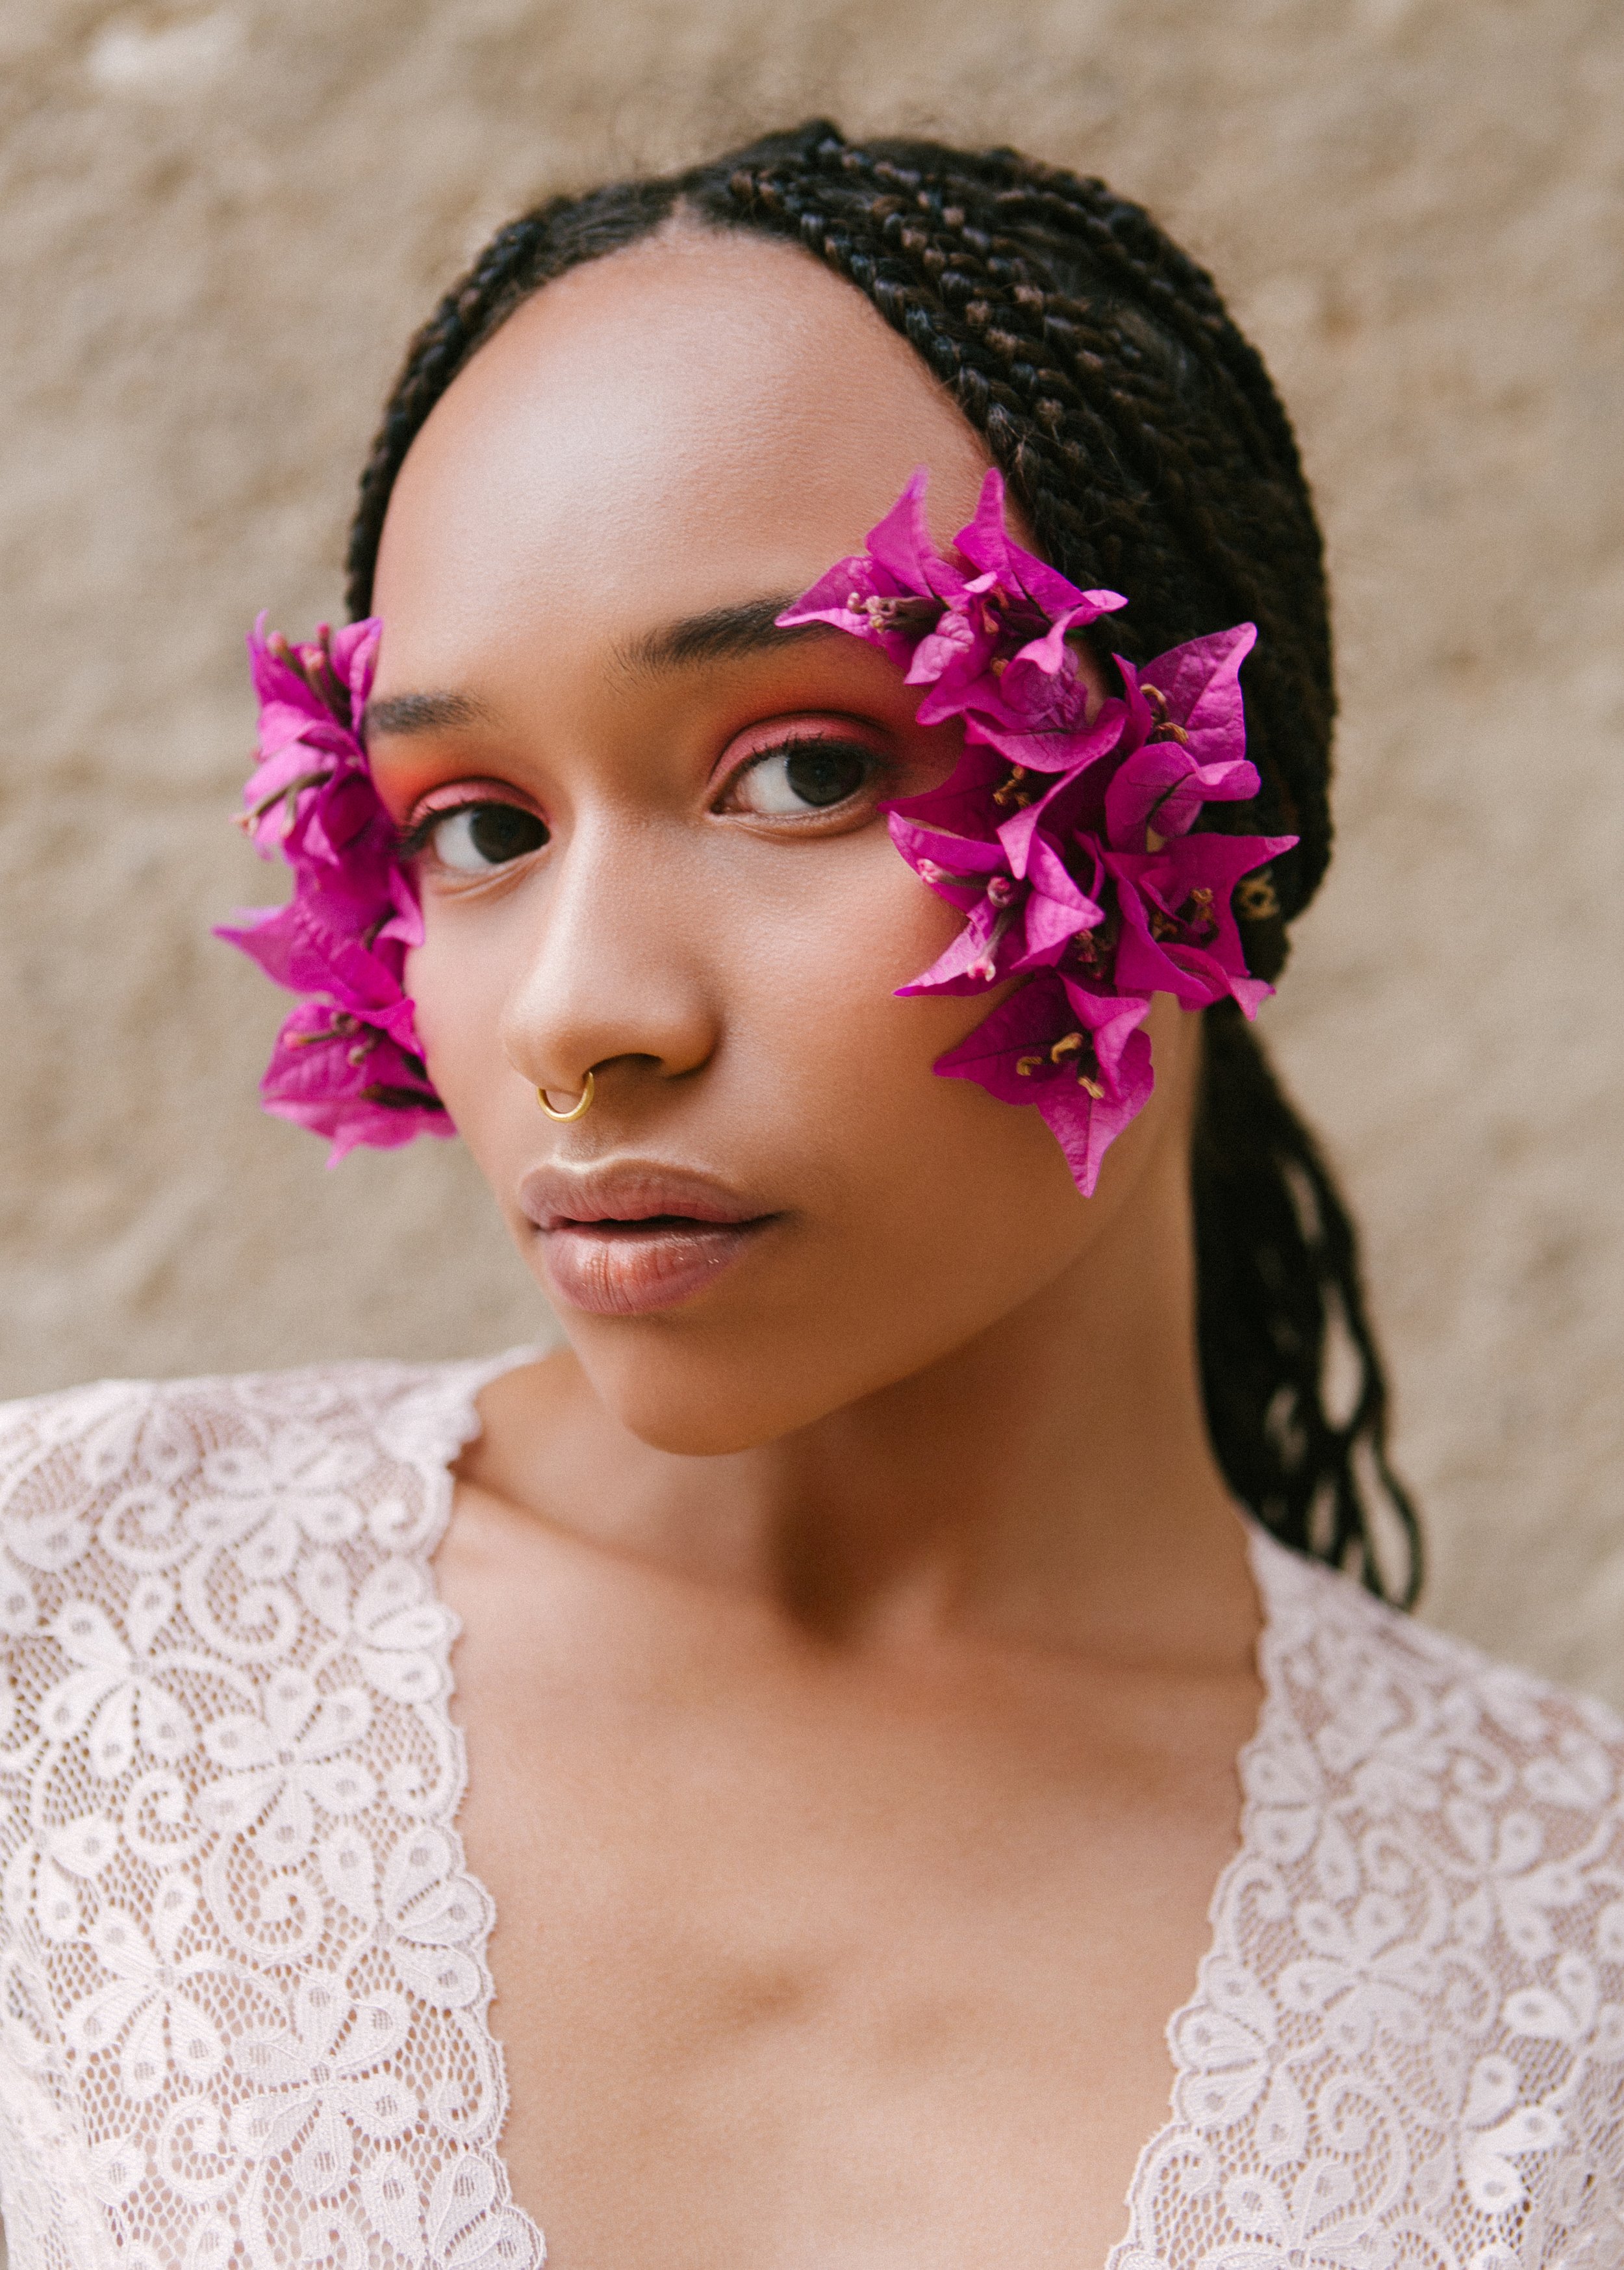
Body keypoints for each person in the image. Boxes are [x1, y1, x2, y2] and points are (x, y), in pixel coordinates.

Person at [0, 120, 1618, 2270]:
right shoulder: (62, 1631)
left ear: (1201, 810)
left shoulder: (1563, 1983)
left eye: (806, 771)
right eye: (474, 825)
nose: (583, 1016)